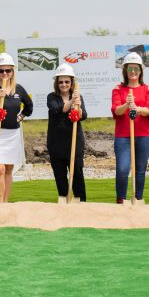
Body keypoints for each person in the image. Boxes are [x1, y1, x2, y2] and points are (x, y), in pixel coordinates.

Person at [0, 52, 33, 202]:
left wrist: (19, 118)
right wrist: (0, 96)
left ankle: (5, 203)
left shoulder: (19, 89)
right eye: (1, 70)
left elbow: (29, 107)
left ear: (12, 71)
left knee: (9, 169)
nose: (4, 73)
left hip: (12, 133)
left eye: (8, 70)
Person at [111, 52, 149, 203]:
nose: (133, 72)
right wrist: (126, 105)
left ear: (141, 70)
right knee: (123, 169)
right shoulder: (118, 89)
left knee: (140, 170)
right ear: (125, 71)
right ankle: (121, 199)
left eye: (136, 68)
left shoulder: (147, 89)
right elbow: (117, 110)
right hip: (123, 136)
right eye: (130, 69)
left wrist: (136, 107)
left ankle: (138, 198)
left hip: (144, 136)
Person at [47, 63, 87, 201]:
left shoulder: (78, 97)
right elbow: (57, 110)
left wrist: (78, 106)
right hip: (56, 144)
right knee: (60, 176)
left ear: (71, 82)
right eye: (61, 82)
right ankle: (64, 203)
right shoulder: (51, 97)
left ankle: (81, 203)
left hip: (75, 144)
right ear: (57, 83)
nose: (64, 84)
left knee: (77, 175)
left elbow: (83, 116)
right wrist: (71, 102)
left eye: (67, 81)